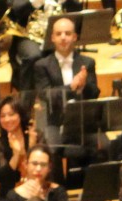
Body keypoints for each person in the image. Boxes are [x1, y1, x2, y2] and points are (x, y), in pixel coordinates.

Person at [34, 17, 100, 150]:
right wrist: (72, 87)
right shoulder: (41, 65)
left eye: (68, 33)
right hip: (54, 121)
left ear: (75, 37)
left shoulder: (88, 63)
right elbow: (46, 95)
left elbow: (94, 94)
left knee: (104, 147)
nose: (63, 38)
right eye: (59, 34)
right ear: (52, 38)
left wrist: (84, 85)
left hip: (82, 120)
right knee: (52, 150)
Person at [4, 0, 82, 92]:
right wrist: (34, 2)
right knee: (33, 56)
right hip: (27, 34)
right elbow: (16, 9)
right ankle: (26, 97)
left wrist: (65, 1)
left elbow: (77, 9)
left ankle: (69, 94)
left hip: (56, 33)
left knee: (68, 51)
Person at [0, 95, 38, 201]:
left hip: (36, 190)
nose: (7, 119)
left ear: (20, 115)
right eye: (2, 116)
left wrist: (32, 147)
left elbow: (42, 167)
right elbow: (3, 178)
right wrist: (16, 154)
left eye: (11, 114)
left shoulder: (34, 136)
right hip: (9, 195)